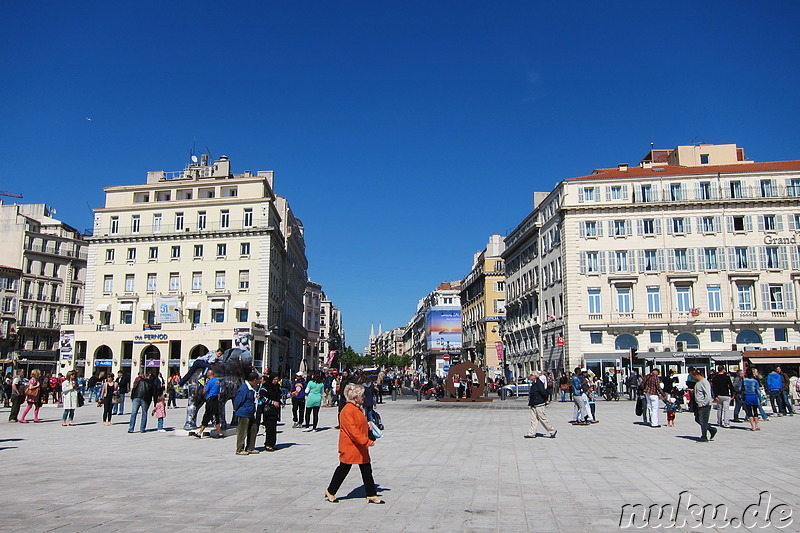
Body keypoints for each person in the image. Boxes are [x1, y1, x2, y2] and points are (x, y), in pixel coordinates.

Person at [324, 383, 384, 504]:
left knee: (366, 468)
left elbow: (358, 425)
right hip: (351, 445)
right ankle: (331, 491)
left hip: (359, 445)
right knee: (344, 468)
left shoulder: (357, 409)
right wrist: (366, 441)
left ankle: (371, 494)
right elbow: (352, 430)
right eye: (362, 395)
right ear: (355, 397)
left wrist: (368, 427)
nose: (364, 398)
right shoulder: (347, 411)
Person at [233, 371, 261, 455]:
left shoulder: (251, 388)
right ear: (254, 380)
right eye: (258, 380)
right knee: (242, 431)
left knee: (253, 429)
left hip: (251, 412)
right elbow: (239, 400)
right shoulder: (244, 388)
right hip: (244, 412)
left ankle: (250, 447)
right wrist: (235, 408)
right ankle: (239, 449)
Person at [524, 371, 557, 439]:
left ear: (534, 376)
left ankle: (552, 430)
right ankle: (531, 433)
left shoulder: (539, 383)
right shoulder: (534, 383)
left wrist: (545, 400)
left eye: (531, 375)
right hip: (533, 404)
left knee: (542, 419)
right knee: (533, 420)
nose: (530, 377)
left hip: (539, 404)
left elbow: (543, 392)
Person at [194, 369, 223, 439]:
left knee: (214, 417)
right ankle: (199, 432)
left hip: (210, 400)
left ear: (209, 374)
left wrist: (205, 384)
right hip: (215, 399)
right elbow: (219, 391)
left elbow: (204, 391)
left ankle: (220, 433)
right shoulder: (217, 381)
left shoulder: (210, 382)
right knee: (206, 416)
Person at [691, 368, 717, 442]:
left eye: (693, 377)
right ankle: (711, 429)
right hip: (698, 404)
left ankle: (704, 437)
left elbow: (708, 395)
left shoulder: (704, 382)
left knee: (703, 421)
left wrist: (703, 404)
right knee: (697, 419)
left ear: (697, 375)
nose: (693, 379)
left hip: (704, 405)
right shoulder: (698, 383)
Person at [261, 374, 282, 452]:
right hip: (268, 411)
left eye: (277, 379)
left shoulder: (277, 388)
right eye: (274, 379)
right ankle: (268, 444)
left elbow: (281, 396)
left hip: (275, 411)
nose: (276, 381)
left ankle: (272, 444)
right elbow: (261, 397)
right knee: (269, 428)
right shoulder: (266, 386)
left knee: (273, 428)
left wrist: (291, 395)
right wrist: (272, 402)